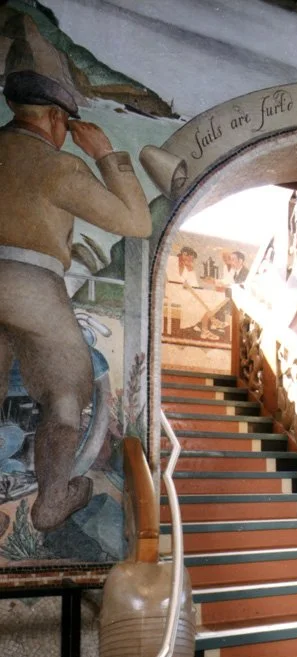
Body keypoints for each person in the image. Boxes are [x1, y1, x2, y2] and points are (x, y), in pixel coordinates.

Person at [0, 27, 152, 531]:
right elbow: (137, 222)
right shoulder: (58, 167)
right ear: (56, 117)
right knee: (65, 395)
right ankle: (51, 499)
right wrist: (106, 154)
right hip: (32, 285)